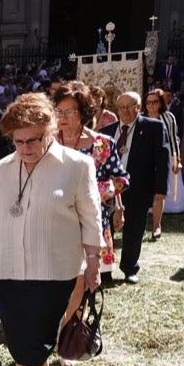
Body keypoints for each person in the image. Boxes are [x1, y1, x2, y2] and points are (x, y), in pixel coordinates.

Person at [0, 93, 102, 366]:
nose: (26, 147)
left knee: (35, 336)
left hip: (55, 270)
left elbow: (92, 218)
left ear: (50, 130)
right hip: (5, 267)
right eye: (18, 141)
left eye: (34, 139)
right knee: (20, 337)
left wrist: (93, 262)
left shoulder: (76, 165)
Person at [53, 83, 129, 289]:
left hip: (91, 222)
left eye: (69, 111)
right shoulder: (47, 143)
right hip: (55, 222)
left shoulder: (101, 144)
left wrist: (97, 191)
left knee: (86, 283)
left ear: (84, 112)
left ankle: (81, 320)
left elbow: (121, 179)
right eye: (59, 111)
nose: (62, 117)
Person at [99, 93, 168, 285]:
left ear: (139, 108)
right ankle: (105, 272)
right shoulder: (106, 131)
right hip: (109, 190)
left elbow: (162, 159)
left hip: (138, 187)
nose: (125, 111)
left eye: (130, 106)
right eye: (121, 107)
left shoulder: (153, 127)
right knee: (107, 231)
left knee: (134, 229)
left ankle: (129, 268)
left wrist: (161, 189)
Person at [145, 89, 184, 227]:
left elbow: (173, 139)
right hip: (147, 154)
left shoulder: (168, 117)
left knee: (169, 180)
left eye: (154, 102)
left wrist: (177, 159)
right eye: (148, 102)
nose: (151, 105)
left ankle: (171, 206)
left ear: (161, 103)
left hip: (166, 152)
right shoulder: (142, 117)